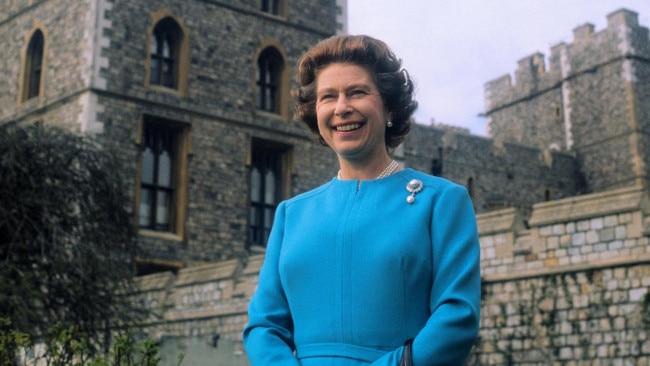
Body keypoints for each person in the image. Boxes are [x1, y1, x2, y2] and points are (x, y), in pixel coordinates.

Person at [243, 35, 481, 365]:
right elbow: (264, 326)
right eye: (328, 97)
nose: (342, 107)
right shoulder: (290, 214)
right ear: (316, 113)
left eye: (357, 92)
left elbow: (458, 317)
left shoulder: (442, 202)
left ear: (389, 107)